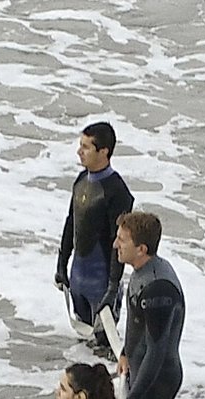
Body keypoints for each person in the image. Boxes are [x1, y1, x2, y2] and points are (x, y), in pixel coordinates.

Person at [112, 211, 184, 399]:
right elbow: (138, 326)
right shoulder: (141, 270)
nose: (115, 244)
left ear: (141, 249)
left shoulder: (158, 288)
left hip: (155, 382)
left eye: (122, 240)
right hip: (139, 372)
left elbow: (157, 350)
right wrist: (125, 353)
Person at [56, 123, 135, 352]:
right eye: (80, 146)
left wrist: (112, 287)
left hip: (101, 283)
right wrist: (62, 263)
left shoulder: (117, 190)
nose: (79, 152)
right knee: (83, 349)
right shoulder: (81, 181)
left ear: (104, 152)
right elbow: (71, 223)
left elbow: (119, 242)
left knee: (104, 348)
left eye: (86, 147)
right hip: (78, 278)